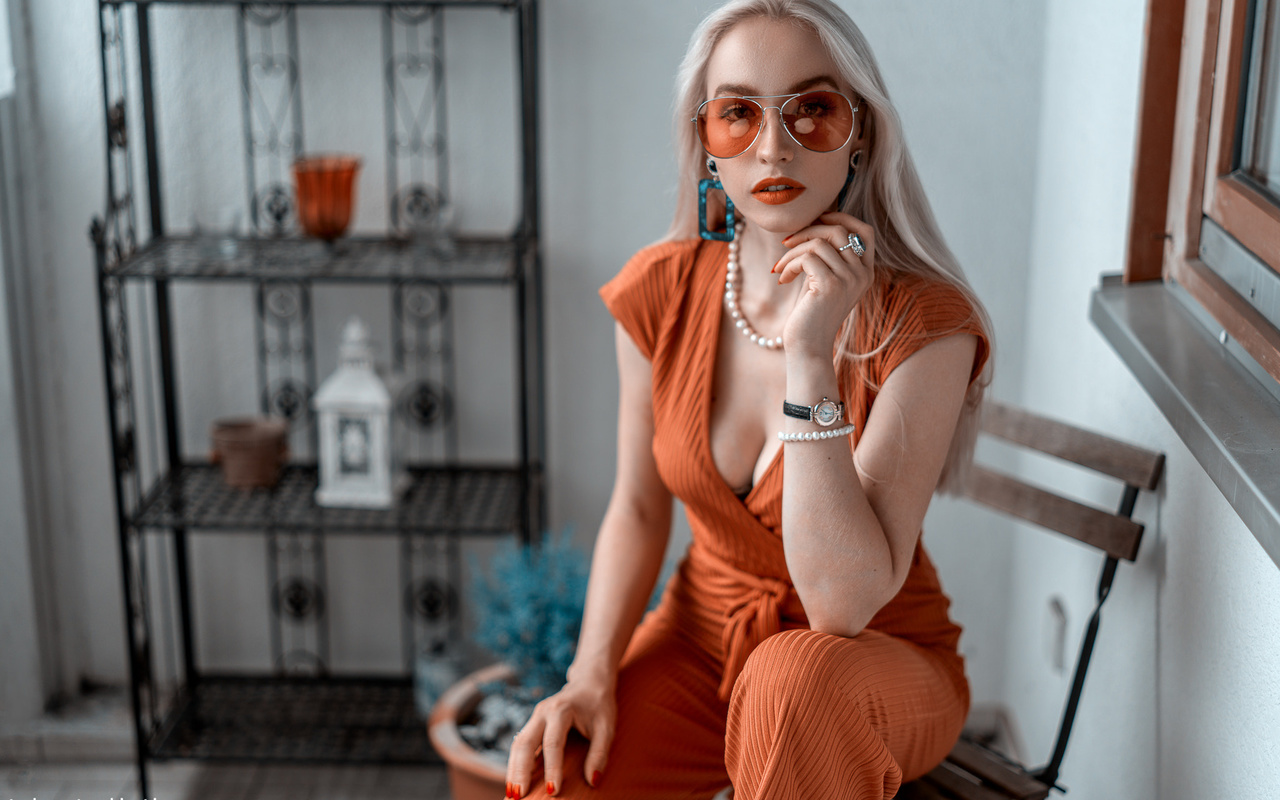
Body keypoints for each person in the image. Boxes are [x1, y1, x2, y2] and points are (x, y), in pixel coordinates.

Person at [505, 1, 992, 797]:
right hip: (700, 640)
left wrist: (809, 357)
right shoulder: (658, 292)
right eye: (738, 113)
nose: (774, 146)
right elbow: (635, 507)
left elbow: (841, 603)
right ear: (705, 140)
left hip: (866, 665)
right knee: (563, 772)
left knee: (793, 680)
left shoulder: (928, 325)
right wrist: (589, 673)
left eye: (813, 109)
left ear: (859, 129)